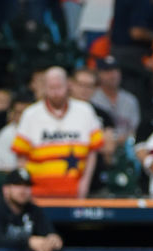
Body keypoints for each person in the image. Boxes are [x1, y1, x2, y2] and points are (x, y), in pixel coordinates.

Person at [12, 67, 104, 198]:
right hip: (38, 192)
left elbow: (93, 152)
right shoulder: (30, 114)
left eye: (59, 87)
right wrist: (25, 187)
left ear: (68, 85)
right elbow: (21, 156)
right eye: (51, 88)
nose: (56, 93)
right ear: (44, 87)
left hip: (75, 191)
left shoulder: (85, 111)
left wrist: (85, 183)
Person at [0, 167, 63, 251]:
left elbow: (48, 232)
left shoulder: (34, 210)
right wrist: (29, 242)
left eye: (27, 185)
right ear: (6, 189)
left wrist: (53, 240)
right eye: (18, 185)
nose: (23, 190)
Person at [90, 56, 140, 148]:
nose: (113, 75)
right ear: (99, 74)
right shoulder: (92, 98)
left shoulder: (130, 100)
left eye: (116, 70)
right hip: (101, 147)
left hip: (126, 148)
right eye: (107, 71)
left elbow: (135, 131)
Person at [0, 93, 33, 172]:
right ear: (12, 114)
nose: (23, 116)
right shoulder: (6, 134)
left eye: (26, 112)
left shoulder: (40, 130)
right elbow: (3, 170)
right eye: (19, 112)